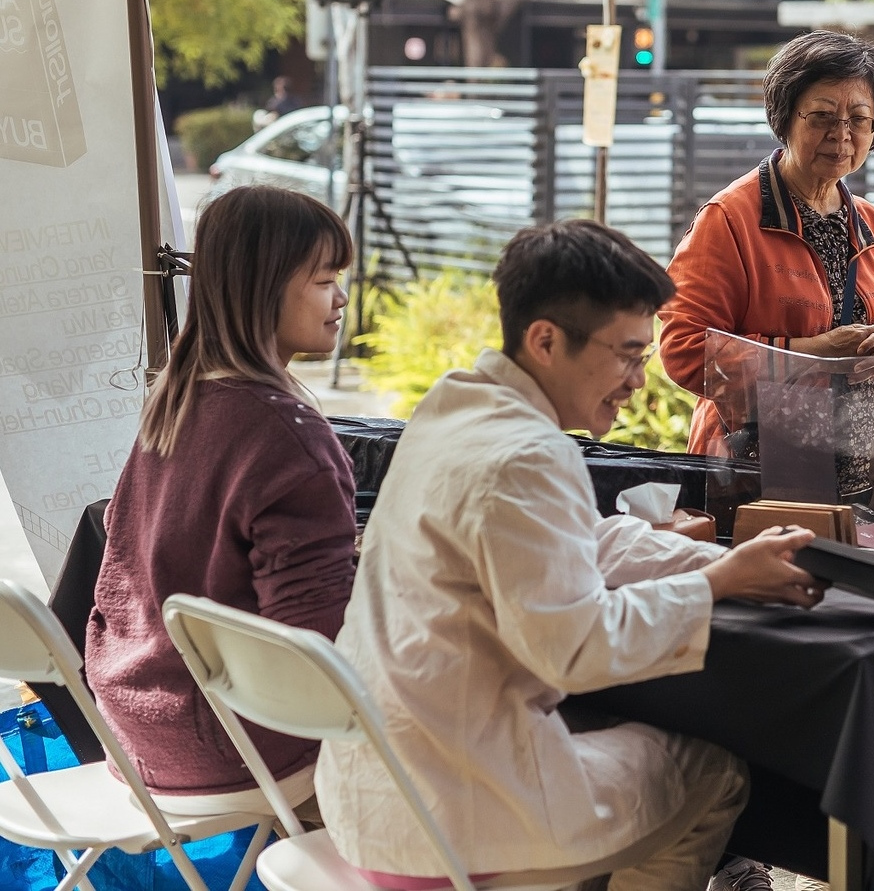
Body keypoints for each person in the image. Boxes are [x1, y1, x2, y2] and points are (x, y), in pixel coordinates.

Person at [317, 219, 826, 891]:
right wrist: (717, 584)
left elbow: (583, 534)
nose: (639, 382)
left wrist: (715, 564)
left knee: (614, 729)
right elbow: (575, 649)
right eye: (626, 355)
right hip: (452, 817)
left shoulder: (453, 404)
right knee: (716, 771)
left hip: (368, 792)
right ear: (546, 340)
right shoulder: (532, 452)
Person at [85, 185, 356, 815]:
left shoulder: (172, 405)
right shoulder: (288, 437)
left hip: (134, 733)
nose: (341, 298)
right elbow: (317, 659)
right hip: (238, 748)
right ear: (266, 287)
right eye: (324, 279)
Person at [661, 30, 874, 499]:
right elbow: (684, 348)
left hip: (860, 478)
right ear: (784, 117)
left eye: (859, 119)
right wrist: (814, 350)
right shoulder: (730, 219)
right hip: (752, 476)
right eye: (821, 116)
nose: (841, 135)